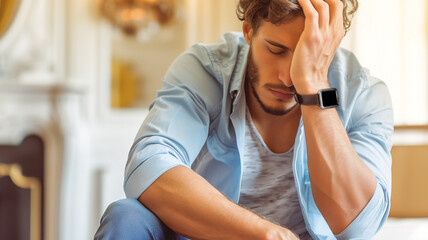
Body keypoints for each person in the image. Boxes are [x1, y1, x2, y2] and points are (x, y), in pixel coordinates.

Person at [95, 0, 393, 239]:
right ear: (248, 31)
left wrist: (314, 87)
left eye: (309, 54)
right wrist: (262, 233)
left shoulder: (364, 93)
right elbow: (147, 166)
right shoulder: (206, 69)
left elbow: (358, 225)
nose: (287, 77)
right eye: (276, 50)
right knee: (126, 215)